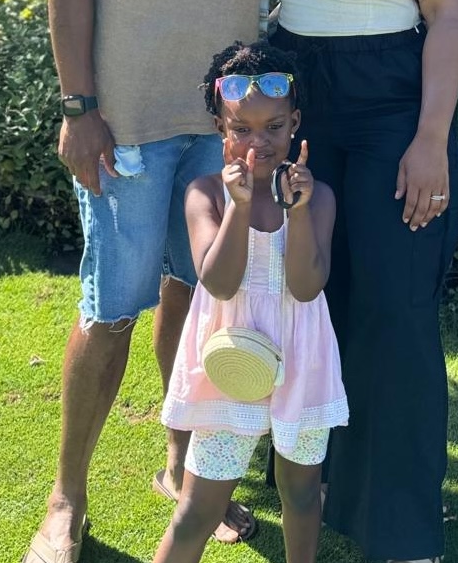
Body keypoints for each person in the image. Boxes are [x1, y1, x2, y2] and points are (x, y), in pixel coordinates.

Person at [25, 0, 290, 563]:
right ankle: (66, 498)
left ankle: (182, 470)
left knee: (202, 300)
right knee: (110, 308)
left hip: (225, 129)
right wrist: (77, 103)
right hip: (127, 120)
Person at [265, 0, 458, 562]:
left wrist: (429, 140)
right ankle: (329, 496)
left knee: (393, 312)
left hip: (392, 115)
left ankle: (406, 529)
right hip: (303, 114)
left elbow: (450, 15)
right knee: (312, 306)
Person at [155, 41, 346, 563]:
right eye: (242, 129)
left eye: (274, 127)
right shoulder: (205, 194)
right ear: (221, 127)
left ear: (295, 123)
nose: (258, 143)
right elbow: (218, 282)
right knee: (197, 509)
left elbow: (307, 287)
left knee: (303, 494)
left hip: (301, 362)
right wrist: (239, 207)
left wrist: (300, 213)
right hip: (226, 364)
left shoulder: (319, 196)